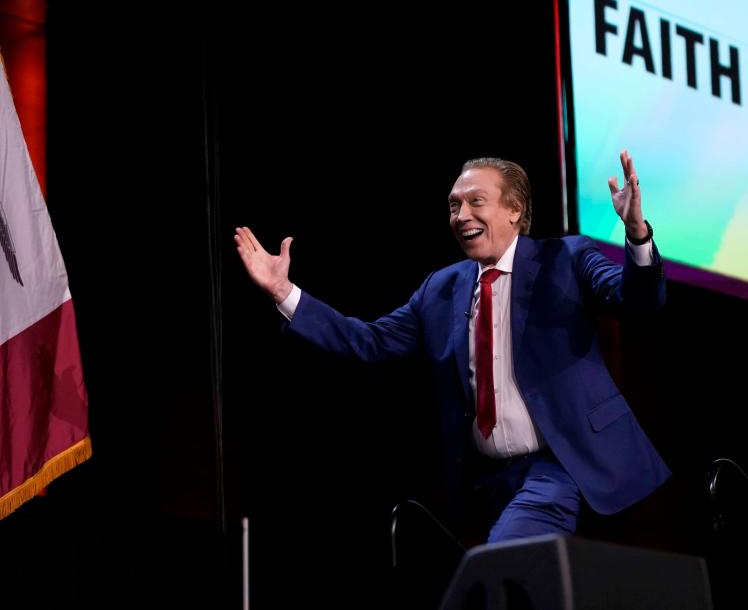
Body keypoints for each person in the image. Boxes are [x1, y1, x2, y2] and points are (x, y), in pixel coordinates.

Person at [234, 151, 669, 543]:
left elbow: (637, 301)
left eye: (476, 201)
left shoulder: (566, 258)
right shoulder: (441, 289)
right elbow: (367, 343)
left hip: (557, 466)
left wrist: (635, 234)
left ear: (514, 209)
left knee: (504, 568)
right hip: (483, 485)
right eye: (454, 205)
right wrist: (284, 291)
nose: (461, 215)